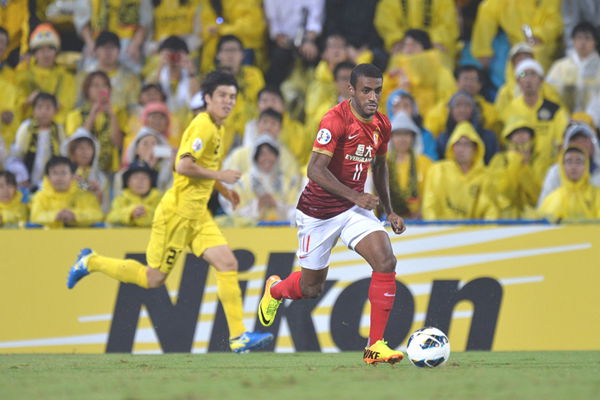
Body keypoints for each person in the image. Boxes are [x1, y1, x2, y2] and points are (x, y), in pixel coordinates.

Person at [66, 71, 273, 353]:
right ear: (208, 98)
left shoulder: (218, 127)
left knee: (227, 263)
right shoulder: (204, 126)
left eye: (232, 97)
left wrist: (223, 190)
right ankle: (90, 262)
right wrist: (221, 175)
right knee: (153, 279)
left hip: (197, 214)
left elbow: (197, 168)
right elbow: (183, 165)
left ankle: (238, 337)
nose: (228, 101)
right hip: (177, 213)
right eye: (222, 96)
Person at [257, 64, 407, 365]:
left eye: (377, 90)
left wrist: (389, 210)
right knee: (310, 288)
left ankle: (375, 346)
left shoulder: (382, 124)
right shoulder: (334, 120)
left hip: (353, 208)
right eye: (366, 90)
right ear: (351, 90)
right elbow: (314, 170)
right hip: (319, 212)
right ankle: (274, 290)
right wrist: (357, 196)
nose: (373, 96)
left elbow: (379, 166)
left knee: (385, 259)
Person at [422, 121, 490, 220]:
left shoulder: (484, 176)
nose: (461, 149)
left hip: (473, 233)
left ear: (475, 148)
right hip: (441, 232)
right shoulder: (438, 170)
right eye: (457, 144)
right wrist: (435, 230)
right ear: (452, 146)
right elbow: (429, 206)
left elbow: (490, 210)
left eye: (466, 144)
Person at [66, 70, 126, 174]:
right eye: (96, 85)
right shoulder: (74, 115)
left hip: (110, 170)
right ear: (87, 89)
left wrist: (112, 116)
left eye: (104, 85)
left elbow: (118, 143)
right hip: (82, 170)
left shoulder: (118, 113)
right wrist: (93, 114)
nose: (100, 89)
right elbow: (76, 141)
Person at [5, 92, 65, 191]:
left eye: (48, 108)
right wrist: (21, 175)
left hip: (50, 177)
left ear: (55, 111)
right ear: (33, 111)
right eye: (39, 107)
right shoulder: (26, 127)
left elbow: (63, 153)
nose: (43, 112)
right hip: (27, 176)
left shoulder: (58, 129)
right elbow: (17, 154)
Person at [30, 156, 103, 228]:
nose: (59, 178)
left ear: (72, 176)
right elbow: (35, 217)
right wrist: (56, 216)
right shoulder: (39, 196)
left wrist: (75, 216)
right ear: (48, 178)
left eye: (63, 173)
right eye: (55, 173)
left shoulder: (84, 194)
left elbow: (97, 215)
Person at [537, 122, 600, 206]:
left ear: (593, 144)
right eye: (575, 140)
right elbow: (544, 205)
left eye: (584, 140)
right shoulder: (555, 172)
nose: (580, 144)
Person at [386, 111, 433, 219]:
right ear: (391, 138)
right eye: (398, 134)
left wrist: (421, 212)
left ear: (413, 137)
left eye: (406, 134)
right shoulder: (381, 162)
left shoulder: (425, 163)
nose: (402, 139)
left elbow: (431, 195)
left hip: (420, 221)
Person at [546, 22, 600, 113]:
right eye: (579, 38)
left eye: (587, 38)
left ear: (595, 42)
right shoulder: (559, 66)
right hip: (563, 118)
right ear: (573, 40)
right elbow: (550, 92)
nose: (583, 42)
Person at [538, 146, 600, 221]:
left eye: (578, 162)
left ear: (586, 166)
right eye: (569, 161)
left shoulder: (596, 195)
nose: (573, 166)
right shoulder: (552, 199)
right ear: (562, 166)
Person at [106, 159, 162, 227]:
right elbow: (111, 217)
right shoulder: (120, 199)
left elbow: (165, 218)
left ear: (151, 182)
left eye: (144, 177)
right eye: (135, 177)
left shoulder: (160, 199)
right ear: (128, 182)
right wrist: (130, 212)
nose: (140, 181)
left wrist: (145, 211)